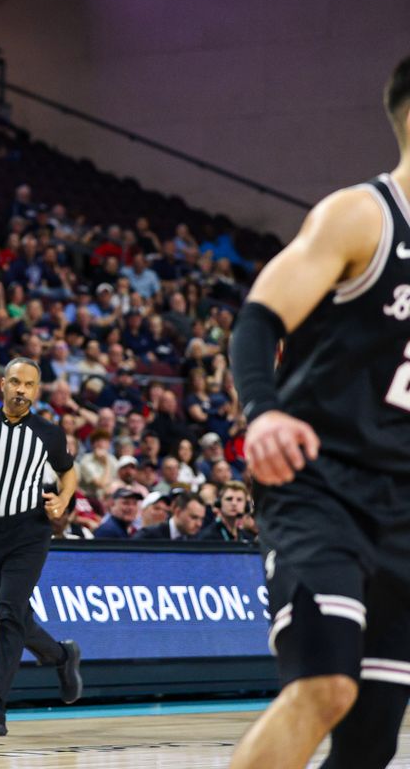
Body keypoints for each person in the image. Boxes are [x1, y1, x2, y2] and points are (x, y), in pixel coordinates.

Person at [230, 56, 410, 769]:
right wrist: (265, 413)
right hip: (319, 483)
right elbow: (258, 320)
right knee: (325, 686)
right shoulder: (363, 215)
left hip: (402, 505)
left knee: (371, 738)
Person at [0, 358, 83, 736]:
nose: (22, 390)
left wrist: (64, 500)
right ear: (3, 384)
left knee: (7, 614)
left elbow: (68, 471)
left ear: (37, 391)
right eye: (16, 382)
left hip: (30, 531)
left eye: (30, 385)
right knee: (17, 616)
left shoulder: (49, 433)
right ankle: (60, 655)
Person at [133, 491, 205, 540]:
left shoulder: (196, 539)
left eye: (201, 519)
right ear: (178, 512)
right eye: (194, 517)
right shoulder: (148, 536)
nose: (199, 524)